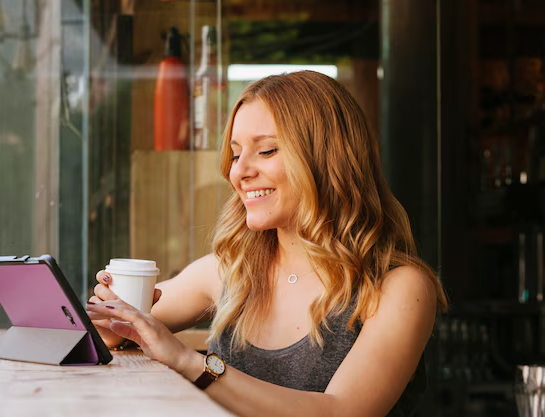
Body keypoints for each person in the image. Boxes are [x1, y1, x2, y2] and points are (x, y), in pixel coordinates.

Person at [87, 70, 448, 417]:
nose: (238, 171)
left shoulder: (398, 288)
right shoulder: (230, 269)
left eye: (267, 150)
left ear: (327, 159)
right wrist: (111, 317)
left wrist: (189, 361)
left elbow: (341, 411)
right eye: (236, 152)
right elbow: (106, 334)